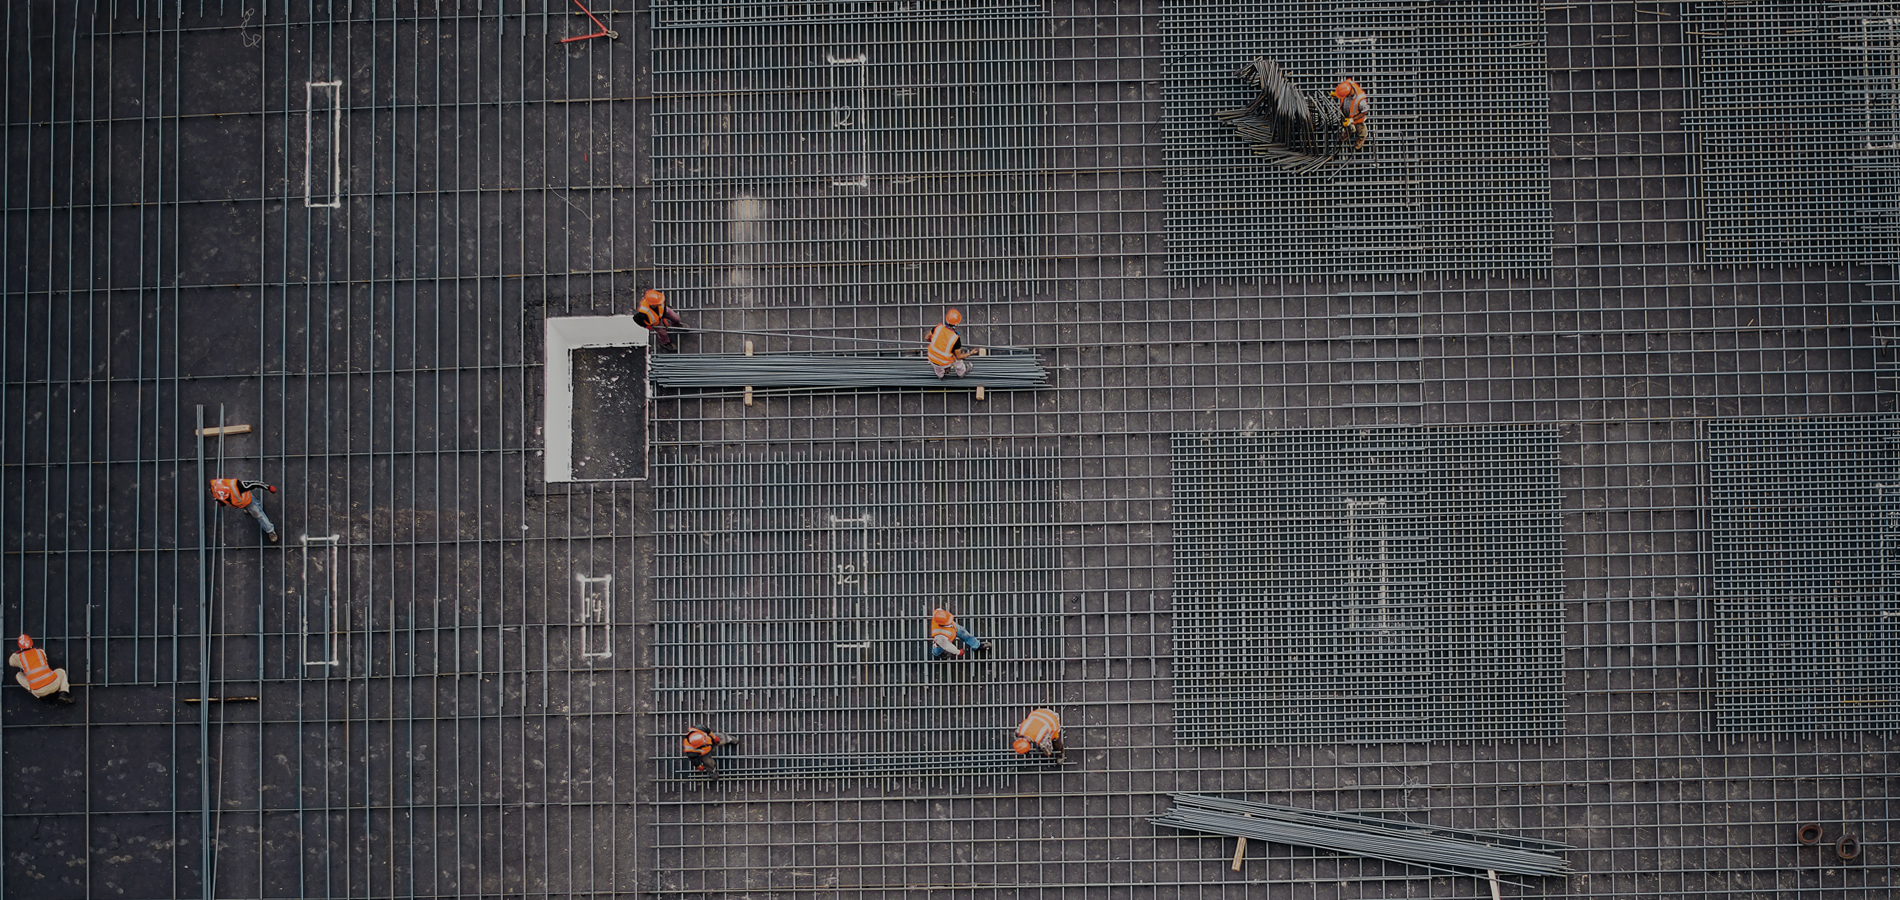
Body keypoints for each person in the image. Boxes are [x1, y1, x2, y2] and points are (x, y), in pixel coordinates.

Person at [210, 478, 279, 543]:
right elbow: (218, 497)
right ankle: (255, 507)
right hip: (239, 504)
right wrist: (220, 501)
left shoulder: (237, 486)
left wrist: (268, 487)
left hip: (249, 502)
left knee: (259, 515)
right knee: (253, 509)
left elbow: (253, 483)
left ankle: (270, 530)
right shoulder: (214, 487)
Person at [10, 634, 73, 704]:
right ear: (31, 642)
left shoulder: (19, 657)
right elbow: (44, 660)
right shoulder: (40, 651)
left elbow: (11, 662)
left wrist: (17, 653)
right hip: (53, 685)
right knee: (61, 672)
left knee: (18, 675)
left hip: (39, 691)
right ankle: (64, 692)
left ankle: (42, 697)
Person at [924, 308, 972, 379]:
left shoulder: (937, 328)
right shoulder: (955, 338)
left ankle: (940, 375)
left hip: (931, 357)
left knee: (937, 365)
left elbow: (927, 337)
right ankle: (961, 372)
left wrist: (937, 342)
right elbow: (958, 356)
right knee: (957, 359)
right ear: (956, 325)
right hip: (944, 361)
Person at [1331, 78, 1370, 149]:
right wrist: (1337, 94)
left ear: (1349, 93)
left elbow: (1365, 111)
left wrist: (1352, 120)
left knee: (1361, 129)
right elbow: (1343, 90)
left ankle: (1361, 138)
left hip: (1357, 118)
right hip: (1346, 114)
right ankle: (1350, 131)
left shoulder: (1360, 99)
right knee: (1347, 126)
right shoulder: (1347, 85)